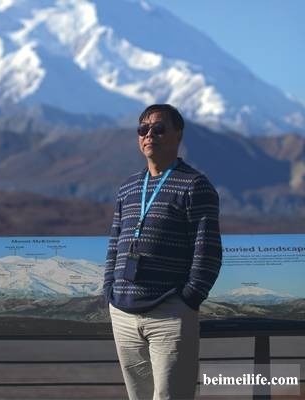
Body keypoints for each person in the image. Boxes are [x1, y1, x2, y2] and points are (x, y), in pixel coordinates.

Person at [103, 104, 222, 400]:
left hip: (169, 313)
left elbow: (207, 250)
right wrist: (109, 290)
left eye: (158, 129)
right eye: (143, 129)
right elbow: (114, 243)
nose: (149, 135)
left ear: (178, 135)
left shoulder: (195, 186)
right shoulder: (128, 187)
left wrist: (188, 299)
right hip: (123, 312)